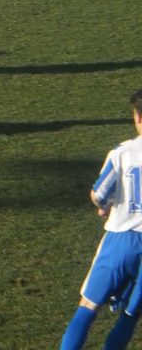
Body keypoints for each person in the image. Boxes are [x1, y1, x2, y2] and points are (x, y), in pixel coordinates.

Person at [59, 89, 142, 350]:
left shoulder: (123, 153)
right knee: (131, 315)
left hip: (122, 240)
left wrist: (102, 206)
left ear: (139, 117)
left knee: (88, 307)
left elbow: (99, 194)